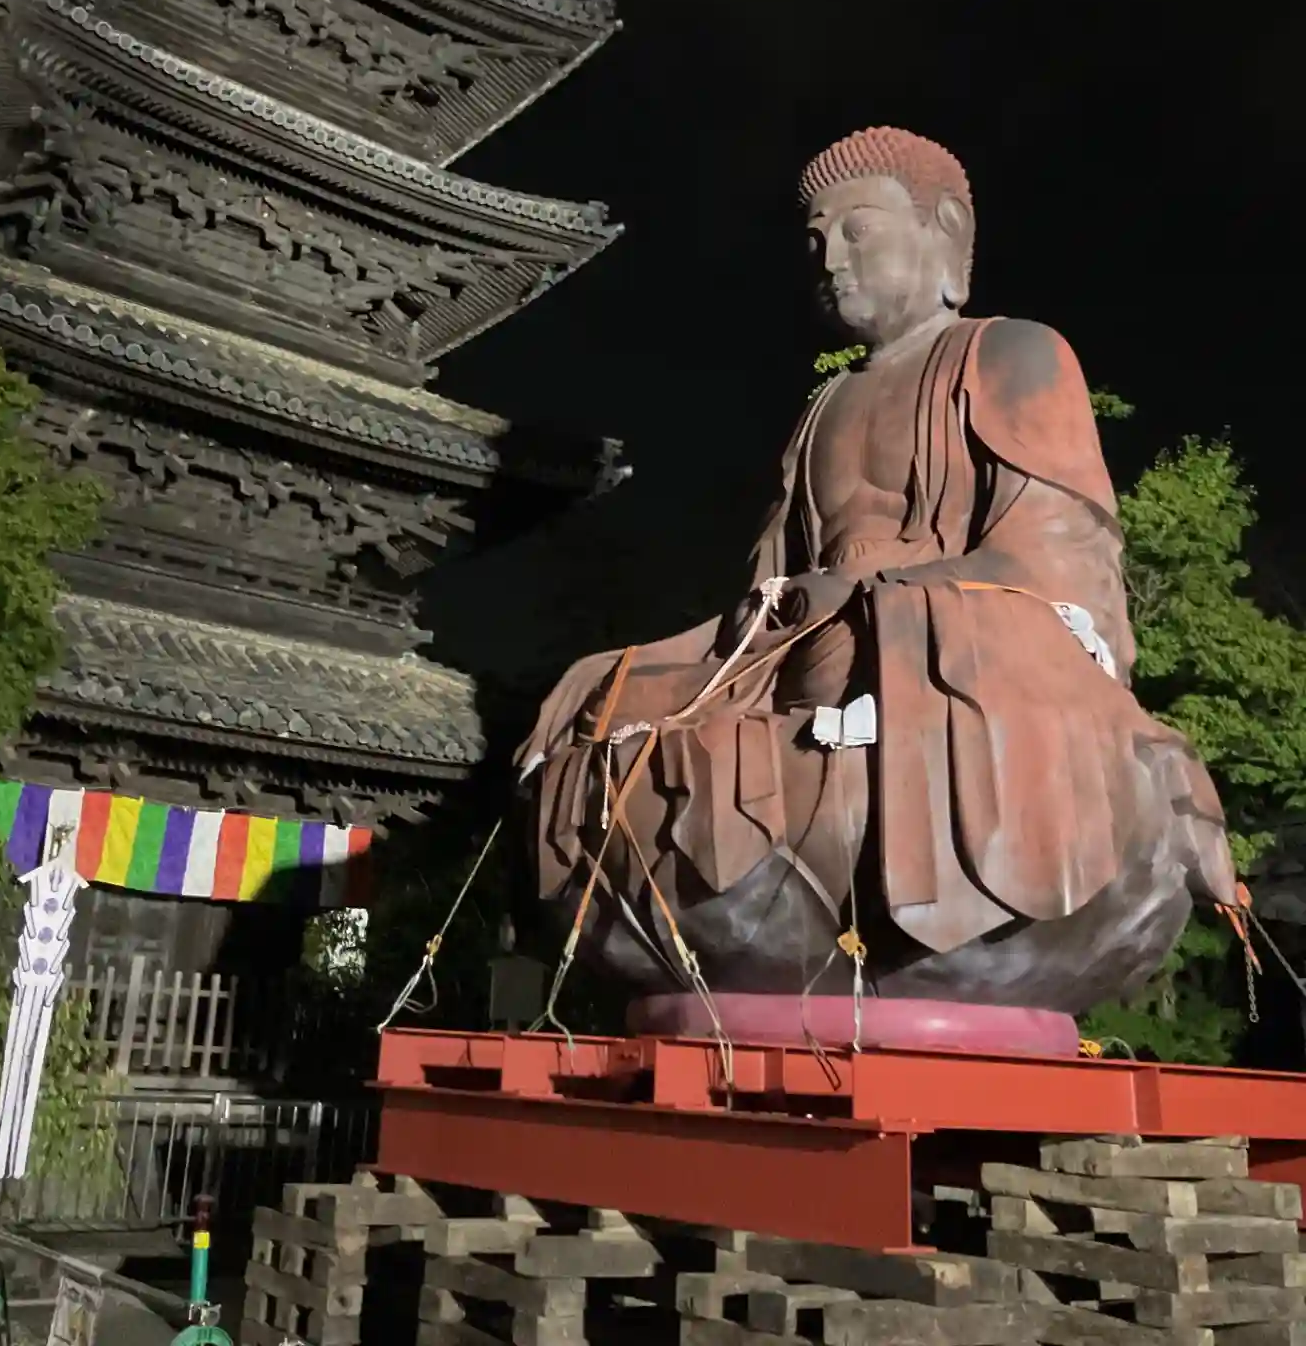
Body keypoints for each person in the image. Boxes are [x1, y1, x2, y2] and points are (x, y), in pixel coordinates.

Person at [517, 126, 1235, 1017]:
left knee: (950, 640)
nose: (831, 260)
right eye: (816, 241)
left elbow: (1059, 560)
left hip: (949, 638)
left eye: (857, 230)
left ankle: (929, 892)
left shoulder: (1012, 352)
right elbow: (769, 592)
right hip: (819, 643)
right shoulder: (826, 405)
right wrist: (754, 623)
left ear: (944, 230)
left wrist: (883, 595)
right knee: (609, 691)